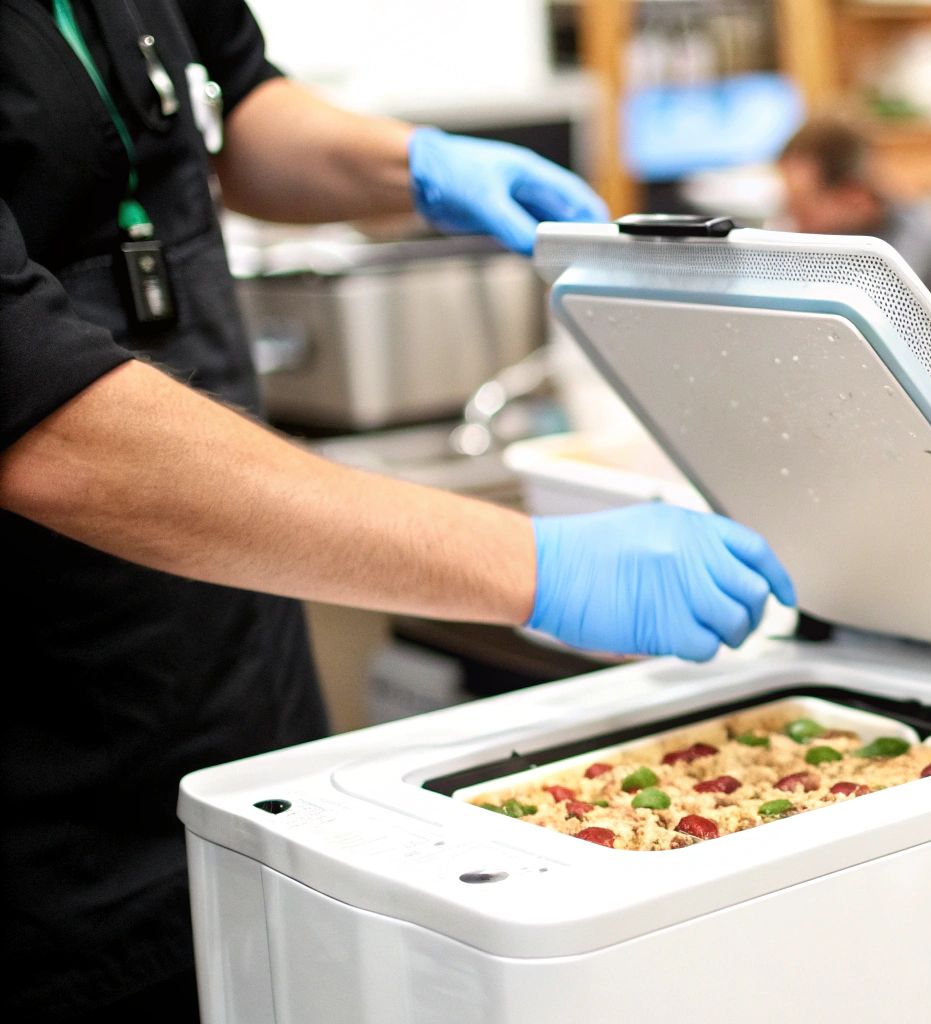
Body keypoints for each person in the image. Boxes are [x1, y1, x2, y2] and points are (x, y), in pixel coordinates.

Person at [0, 1, 795, 1020]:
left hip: (228, 668)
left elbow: (232, 104)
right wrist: (531, 565)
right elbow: (42, 421)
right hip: (43, 776)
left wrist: (411, 164)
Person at [776, 117, 931, 311]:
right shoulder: (830, 242)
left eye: (801, 205)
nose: (791, 216)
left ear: (853, 195)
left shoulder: (917, 256)